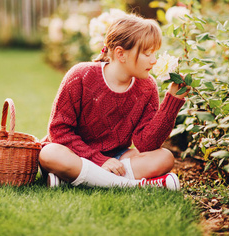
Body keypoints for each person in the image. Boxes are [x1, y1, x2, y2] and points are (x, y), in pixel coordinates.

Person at [39, 13, 190, 190]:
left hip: (117, 157)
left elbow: (146, 144)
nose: (154, 60)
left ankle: (73, 179)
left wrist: (173, 100)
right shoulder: (80, 76)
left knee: (164, 158)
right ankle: (133, 185)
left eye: (154, 53)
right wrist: (99, 160)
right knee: (49, 153)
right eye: (147, 53)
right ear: (120, 54)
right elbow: (59, 131)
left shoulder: (147, 87)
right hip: (74, 153)